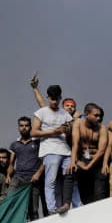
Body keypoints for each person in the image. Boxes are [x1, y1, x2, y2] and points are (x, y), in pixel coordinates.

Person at [31, 77, 76, 215]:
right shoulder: (42, 112)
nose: (55, 101)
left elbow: (71, 135)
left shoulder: (65, 114)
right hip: (50, 150)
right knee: (50, 181)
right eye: (52, 99)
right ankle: (51, 209)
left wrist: (67, 131)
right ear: (48, 97)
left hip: (66, 150)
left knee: (70, 176)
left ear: (60, 98)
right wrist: (53, 132)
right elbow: (34, 131)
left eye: (57, 99)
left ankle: (73, 204)